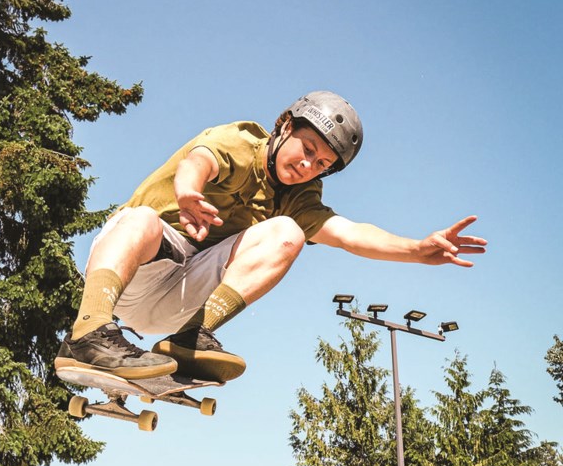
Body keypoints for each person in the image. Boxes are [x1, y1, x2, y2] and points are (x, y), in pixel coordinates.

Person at [55, 91, 487, 383]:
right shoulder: (240, 142)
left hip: (180, 301)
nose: (307, 167)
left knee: (288, 233)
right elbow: (199, 160)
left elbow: (349, 233)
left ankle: (189, 338)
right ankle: (87, 332)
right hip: (132, 277)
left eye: (321, 164)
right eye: (307, 149)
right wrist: (188, 191)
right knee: (140, 220)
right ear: (284, 126)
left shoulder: (300, 196)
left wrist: (417, 250)